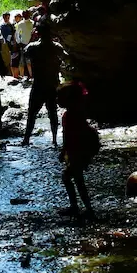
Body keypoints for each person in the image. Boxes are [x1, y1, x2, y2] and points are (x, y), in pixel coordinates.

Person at [58, 82, 100, 218]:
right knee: (76, 179)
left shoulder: (70, 116)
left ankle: (81, 208)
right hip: (78, 152)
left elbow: (69, 135)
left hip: (78, 152)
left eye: (60, 97)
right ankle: (84, 208)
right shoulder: (76, 114)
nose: (57, 100)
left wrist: (65, 151)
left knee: (71, 178)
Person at [21, 20, 64, 146]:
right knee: (53, 113)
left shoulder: (32, 47)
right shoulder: (57, 47)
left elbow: (25, 55)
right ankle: (55, 140)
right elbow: (64, 58)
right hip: (52, 84)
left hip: (39, 84)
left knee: (32, 113)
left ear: (38, 33)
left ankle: (26, 139)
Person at [16, 10, 35, 78]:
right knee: (26, 61)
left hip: (25, 44)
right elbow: (18, 34)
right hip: (28, 43)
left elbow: (17, 34)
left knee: (24, 61)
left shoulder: (21, 24)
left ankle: (25, 75)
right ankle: (29, 75)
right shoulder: (32, 23)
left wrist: (19, 42)